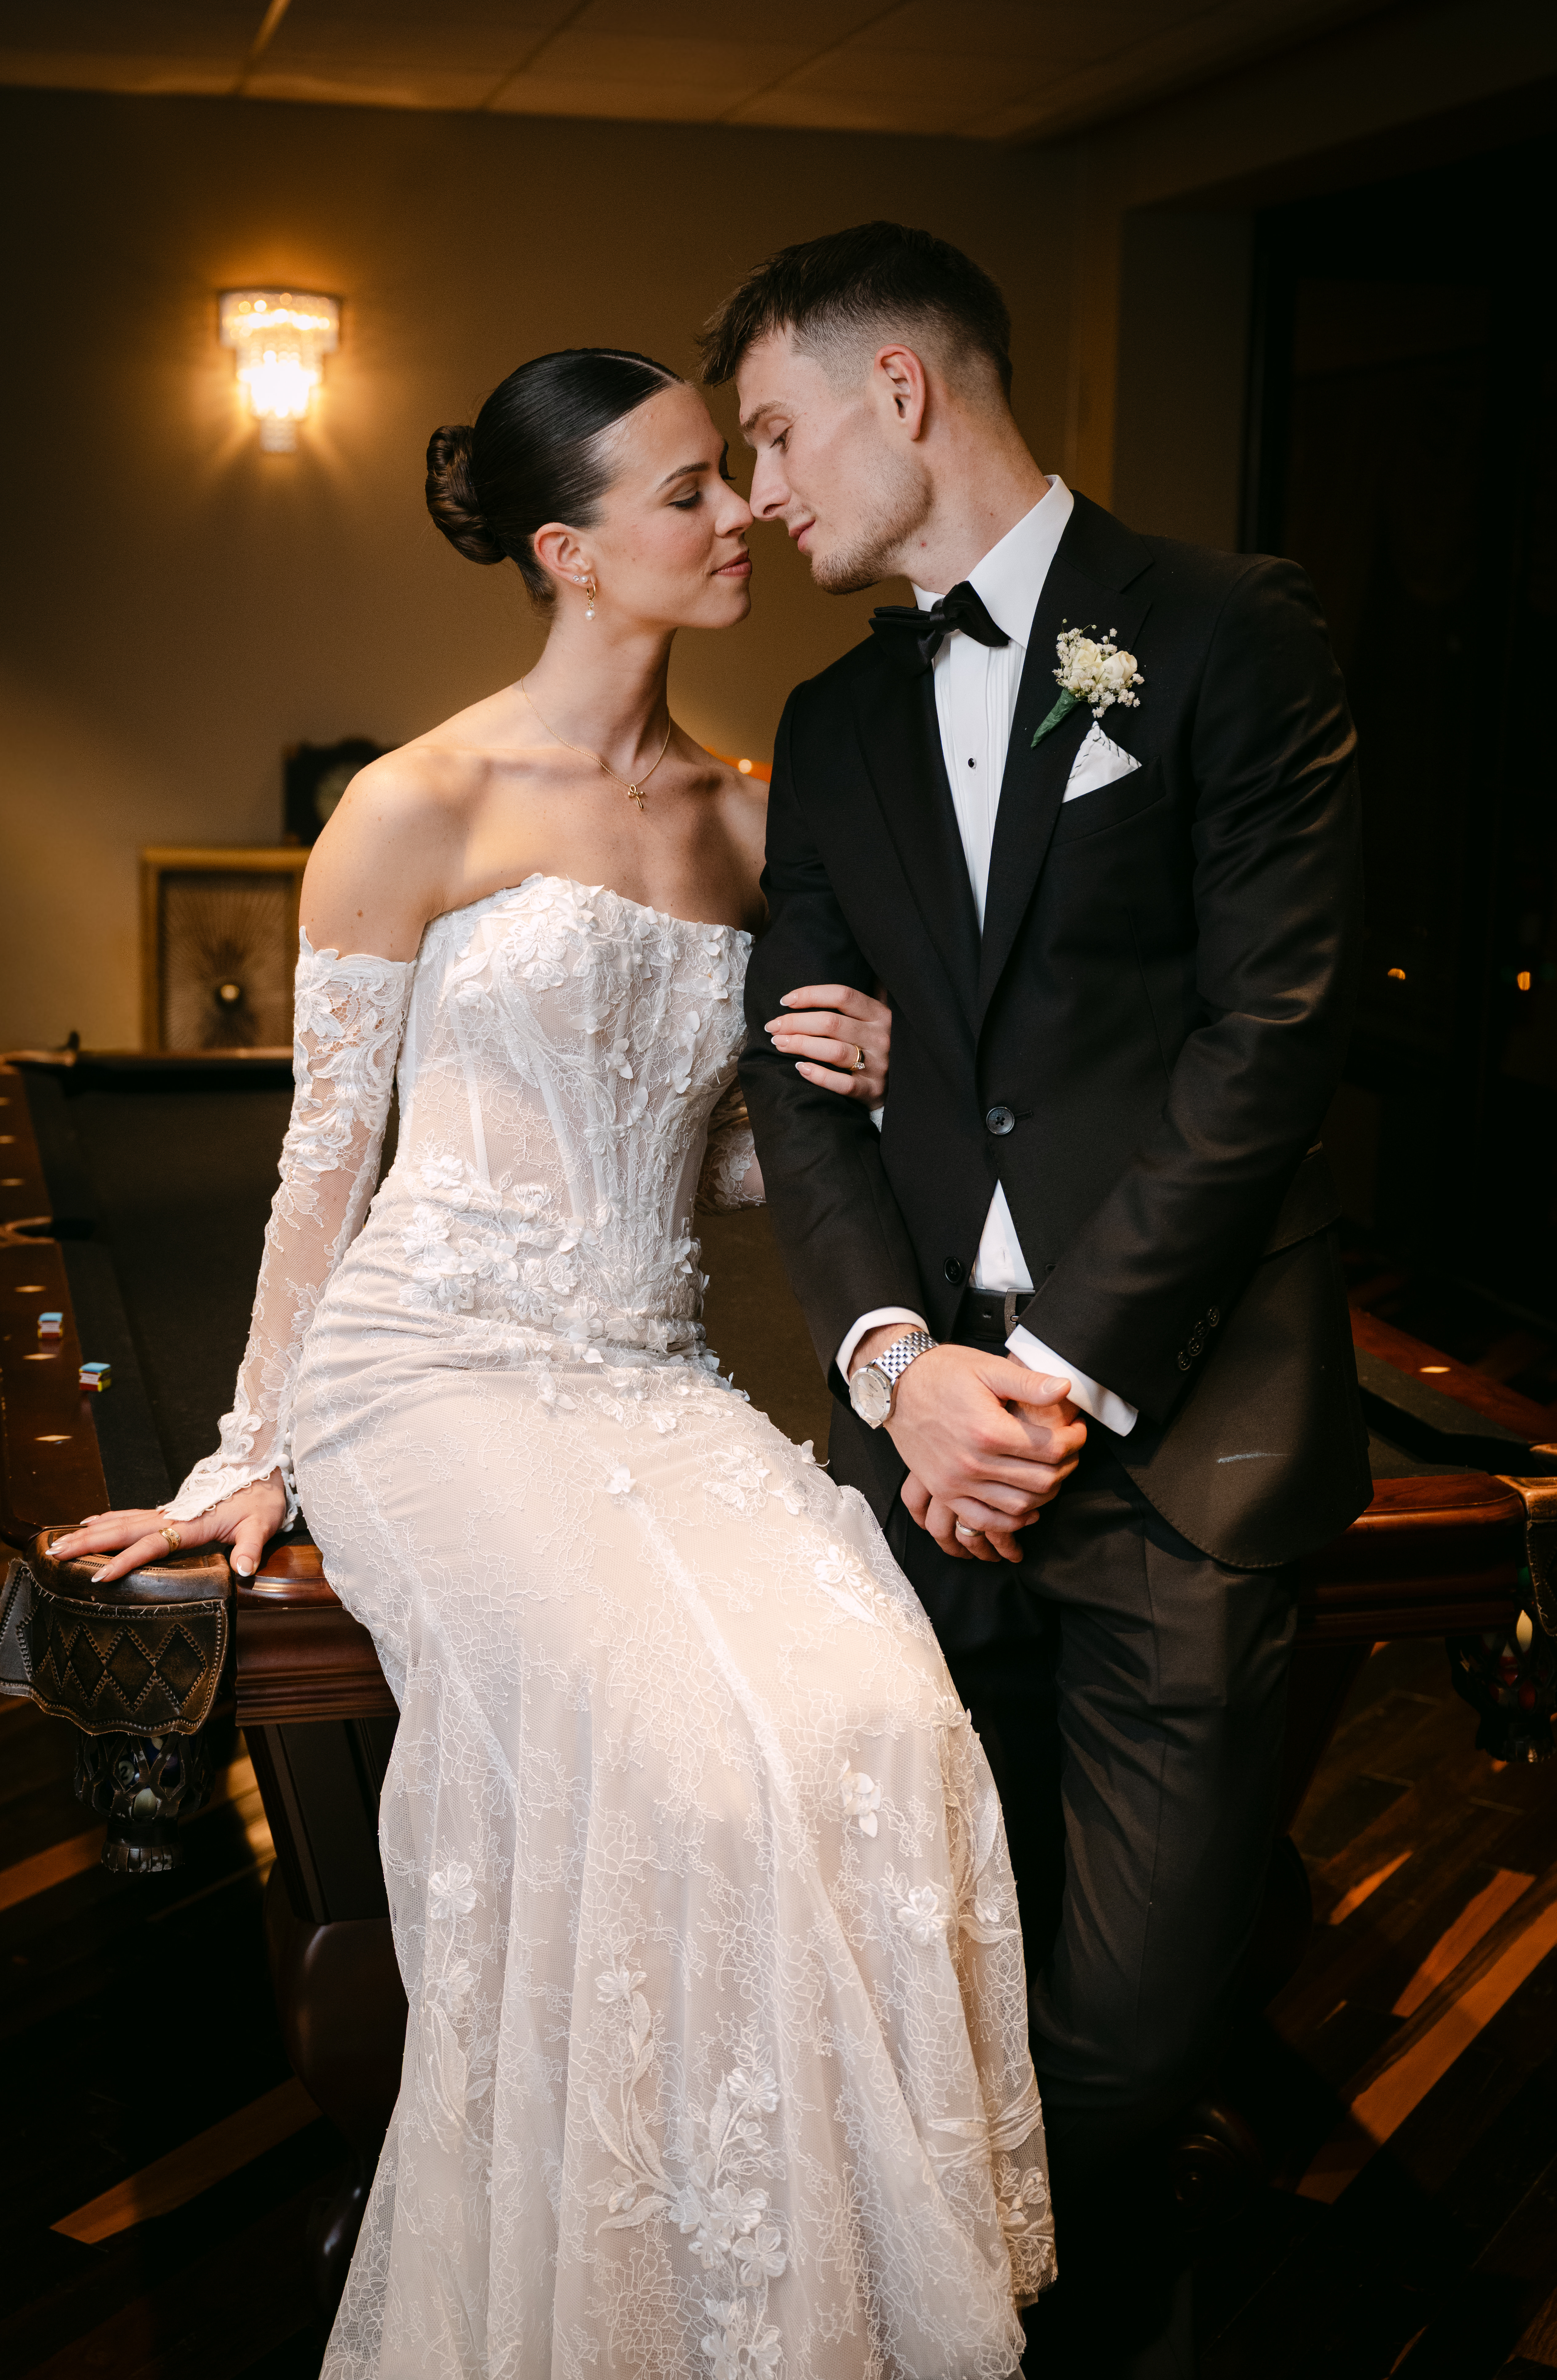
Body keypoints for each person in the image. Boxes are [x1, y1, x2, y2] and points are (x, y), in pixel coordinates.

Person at [51, 348, 1054, 2378]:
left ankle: (774, 2306)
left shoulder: (763, 824)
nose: (742, 515)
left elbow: (736, 1168)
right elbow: (324, 1165)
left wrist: (843, 1079)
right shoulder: (411, 805)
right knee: (676, 1761)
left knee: (873, 1724)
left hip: (650, 1372)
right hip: (425, 1367)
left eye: (736, 477)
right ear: (570, 552)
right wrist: (256, 1446)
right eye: (691, 490)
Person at [705, 223, 1368, 2377]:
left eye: (778, 433)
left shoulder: (1222, 635)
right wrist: (898, 1370)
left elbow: (1263, 1039)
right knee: (924, 1998)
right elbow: (805, 1084)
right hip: (917, 1479)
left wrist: (1051, 1379)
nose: (766, 493)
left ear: (903, 389)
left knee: (1119, 2041)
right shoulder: (831, 720)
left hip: (1173, 1456)